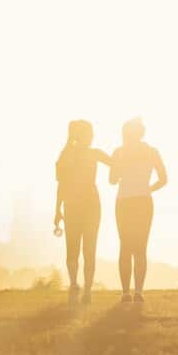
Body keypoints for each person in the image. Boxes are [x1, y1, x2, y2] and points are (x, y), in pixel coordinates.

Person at [109, 117, 167, 303]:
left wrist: (119, 164)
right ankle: (137, 292)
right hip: (142, 201)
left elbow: (111, 180)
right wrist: (147, 188)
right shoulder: (151, 151)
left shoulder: (119, 152)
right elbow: (163, 179)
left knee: (126, 247)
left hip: (125, 201)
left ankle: (128, 292)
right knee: (139, 248)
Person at [54, 120, 112, 305]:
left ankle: (80, 287)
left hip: (78, 205)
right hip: (85, 205)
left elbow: (61, 186)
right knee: (84, 247)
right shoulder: (83, 155)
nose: (92, 136)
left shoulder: (67, 156)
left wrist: (57, 210)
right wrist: (57, 210)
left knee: (79, 247)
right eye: (89, 133)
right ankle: (80, 287)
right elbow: (114, 163)